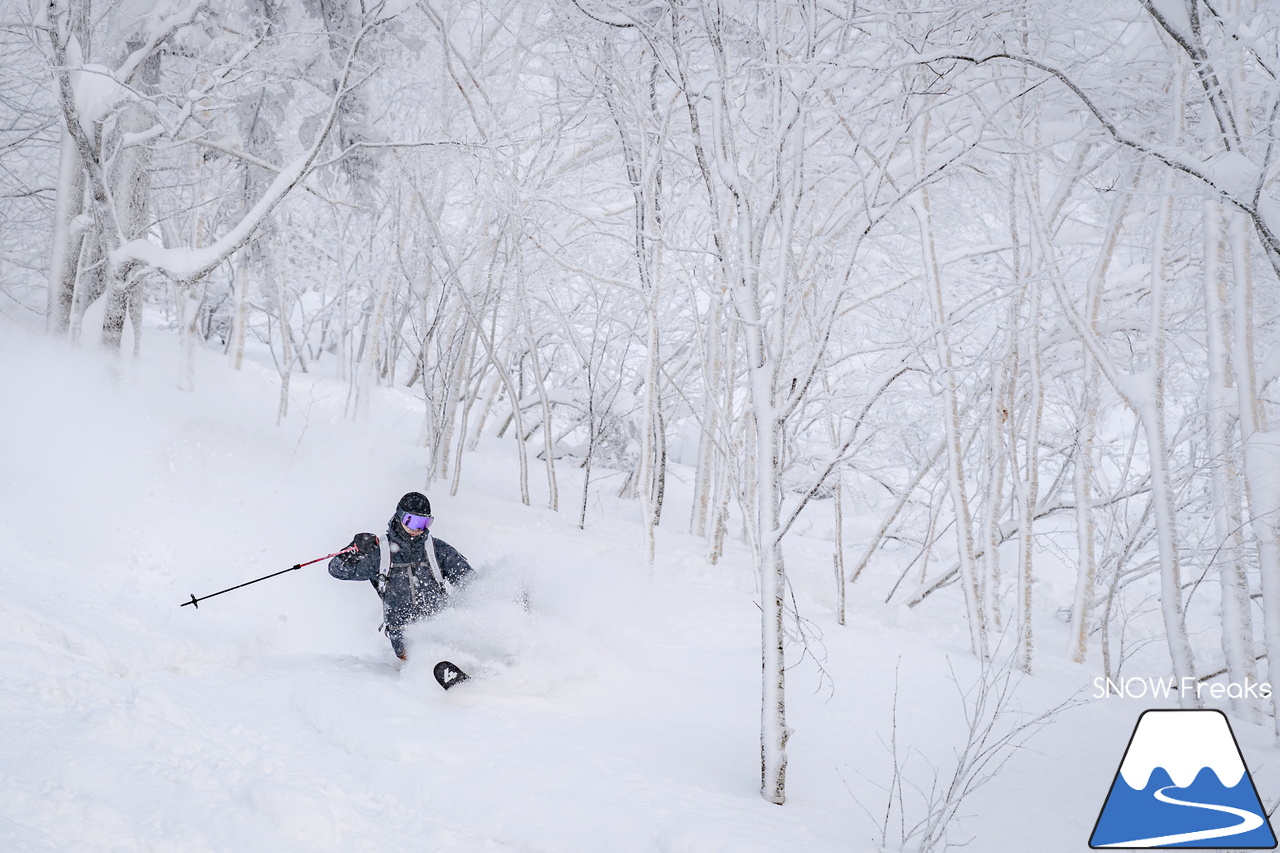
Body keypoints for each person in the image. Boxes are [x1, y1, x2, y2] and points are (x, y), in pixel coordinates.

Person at [329, 492, 474, 660]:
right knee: (424, 657)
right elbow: (337, 570)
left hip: (441, 626)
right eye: (411, 521)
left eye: (424, 523)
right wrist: (355, 551)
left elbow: (470, 582)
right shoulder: (381, 553)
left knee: (454, 648)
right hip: (403, 637)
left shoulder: (437, 550)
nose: (417, 528)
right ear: (399, 516)